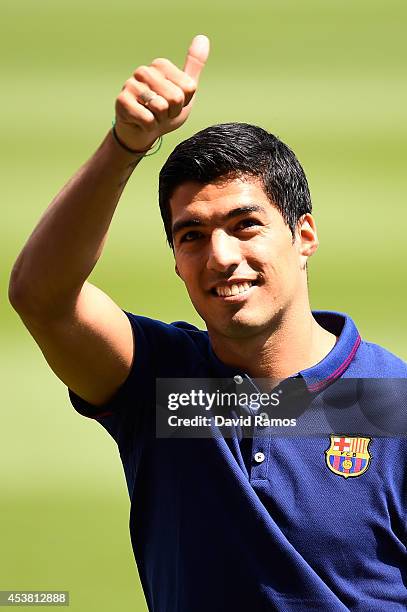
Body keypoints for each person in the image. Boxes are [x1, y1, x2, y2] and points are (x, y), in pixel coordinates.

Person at [9, 34, 407, 612]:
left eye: (245, 225)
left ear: (304, 236)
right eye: (192, 236)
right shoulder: (159, 386)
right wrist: (126, 145)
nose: (220, 256)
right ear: (176, 261)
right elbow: (40, 297)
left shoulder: (387, 399)